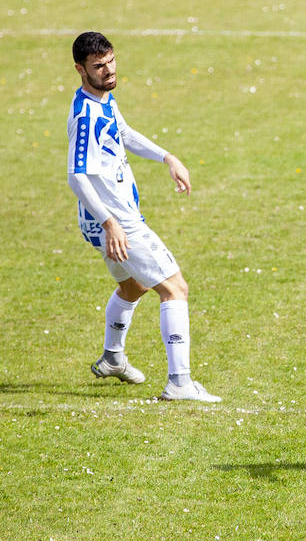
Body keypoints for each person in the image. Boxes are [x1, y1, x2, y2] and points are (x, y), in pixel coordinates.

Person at [66, 31, 220, 402]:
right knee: (175, 288)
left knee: (135, 285)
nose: (108, 71)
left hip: (103, 222)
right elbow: (76, 175)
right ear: (80, 69)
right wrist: (110, 222)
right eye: (98, 66)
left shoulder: (104, 102)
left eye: (111, 61)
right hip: (116, 221)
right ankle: (180, 383)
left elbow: (124, 133)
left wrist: (167, 157)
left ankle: (113, 358)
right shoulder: (86, 115)